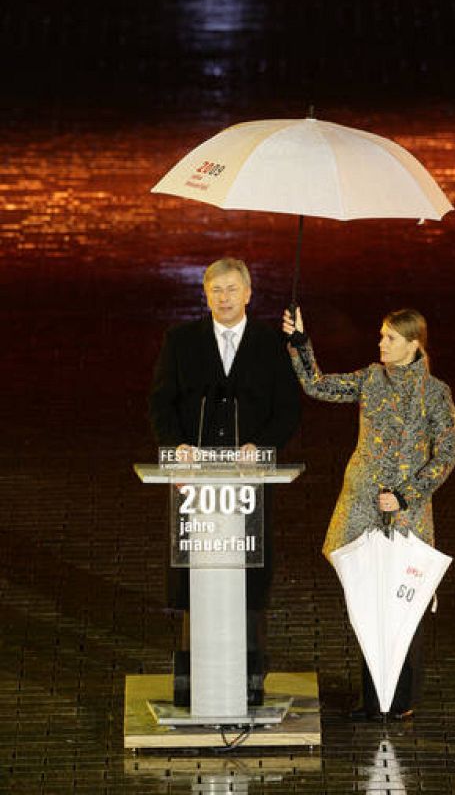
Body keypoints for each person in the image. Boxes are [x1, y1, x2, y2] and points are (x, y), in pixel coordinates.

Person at [283, 305, 455, 720]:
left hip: (406, 514)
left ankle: (401, 700)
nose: (381, 343)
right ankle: (372, 696)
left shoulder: (435, 393)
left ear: (413, 345)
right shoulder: (369, 380)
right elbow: (317, 385)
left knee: (405, 602)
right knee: (366, 599)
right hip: (362, 507)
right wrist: (298, 342)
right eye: (381, 335)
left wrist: (406, 494)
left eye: (390, 338)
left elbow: (446, 454)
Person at [149, 258, 301, 703]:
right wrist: (175, 446)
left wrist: (262, 445)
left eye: (232, 289)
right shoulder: (180, 341)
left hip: (247, 482)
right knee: (193, 567)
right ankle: (191, 674)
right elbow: (160, 402)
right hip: (194, 480)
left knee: (248, 568)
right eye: (216, 290)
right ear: (205, 294)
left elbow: (288, 408)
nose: (224, 298)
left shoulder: (271, 343)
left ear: (249, 293)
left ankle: (251, 672)